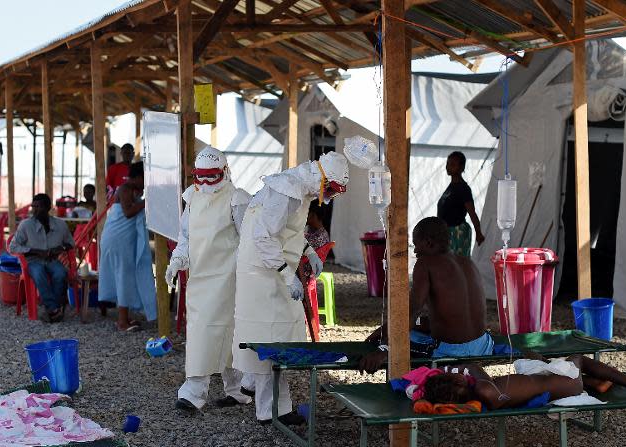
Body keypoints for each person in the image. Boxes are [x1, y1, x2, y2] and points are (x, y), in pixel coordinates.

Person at [233, 151, 350, 425]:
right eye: (331, 190)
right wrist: (287, 274)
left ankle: (269, 400)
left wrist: (307, 251)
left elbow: (289, 232)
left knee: (278, 335)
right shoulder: (287, 191)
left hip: (272, 269)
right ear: (323, 178)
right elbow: (263, 236)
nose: (331, 196)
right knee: (267, 337)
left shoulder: (303, 190)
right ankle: (269, 409)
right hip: (261, 271)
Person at [165, 147, 253, 414]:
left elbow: (250, 239)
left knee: (227, 332)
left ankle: (212, 391)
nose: (204, 184)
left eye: (211, 177)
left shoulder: (237, 199)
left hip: (230, 278)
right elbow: (186, 238)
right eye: (199, 177)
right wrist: (176, 261)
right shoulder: (192, 198)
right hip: (201, 278)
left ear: (225, 172)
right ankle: (209, 390)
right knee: (202, 332)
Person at [359, 217, 492, 373]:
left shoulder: (425, 263)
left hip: (453, 352)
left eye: (416, 245)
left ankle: (397, 384)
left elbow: (413, 310)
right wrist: (387, 327)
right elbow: (449, 315)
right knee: (405, 328)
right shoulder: (467, 262)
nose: (415, 251)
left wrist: (385, 348)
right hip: (483, 345)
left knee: (391, 340)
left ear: (429, 243)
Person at [422, 354, 626, 410]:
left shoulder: (479, 392)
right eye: (456, 378)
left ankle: (595, 384)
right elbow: (474, 367)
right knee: (578, 358)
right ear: (458, 385)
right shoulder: (484, 388)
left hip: (560, 384)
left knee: (536, 360)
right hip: (568, 385)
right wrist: (462, 368)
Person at [98, 161, 157, 331]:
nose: (146, 183)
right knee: (123, 276)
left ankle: (125, 317)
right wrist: (146, 201)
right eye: (145, 179)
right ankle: (122, 321)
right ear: (138, 177)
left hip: (121, 239)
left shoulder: (133, 190)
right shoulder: (124, 189)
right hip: (117, 239)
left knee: (125, 276)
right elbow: (128, 212)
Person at [8, 194, 75, 323]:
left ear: (48, 207)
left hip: (52, 260)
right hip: (33, 260)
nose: (34, 210)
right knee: (39, 274)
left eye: (39, 207)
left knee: (60, 273)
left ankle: (52, 310)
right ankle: (54, 309)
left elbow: (71, 243)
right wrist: (35, 251)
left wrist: (60, 248)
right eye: (33, 206)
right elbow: (13, 247)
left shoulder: (60, 225)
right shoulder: (25, 225)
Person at [436, 151, 484, 257]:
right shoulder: (451, 187)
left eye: (453, 164)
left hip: (458, 233)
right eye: (448, 164)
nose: (449, 167)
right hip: (447, 233)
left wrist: (479, 233)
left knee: (458, 266)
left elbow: (472, 213)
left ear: (462, 167)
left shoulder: (463, 189)